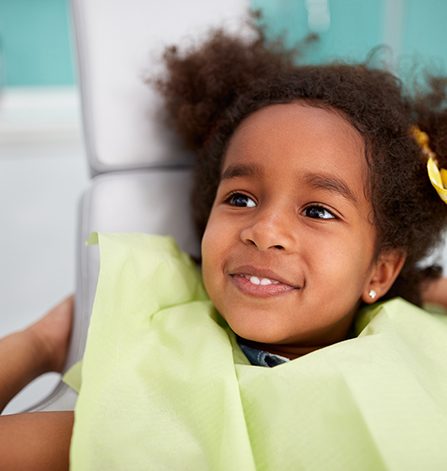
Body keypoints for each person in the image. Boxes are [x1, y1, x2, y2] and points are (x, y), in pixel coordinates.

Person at [1, 23, 447, 469]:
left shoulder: (418, 354)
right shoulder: (157, 389)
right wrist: (39, 343)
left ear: (381, 271)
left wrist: (415, 286)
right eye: (240, 198)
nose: (264, 230)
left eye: (317, 211)